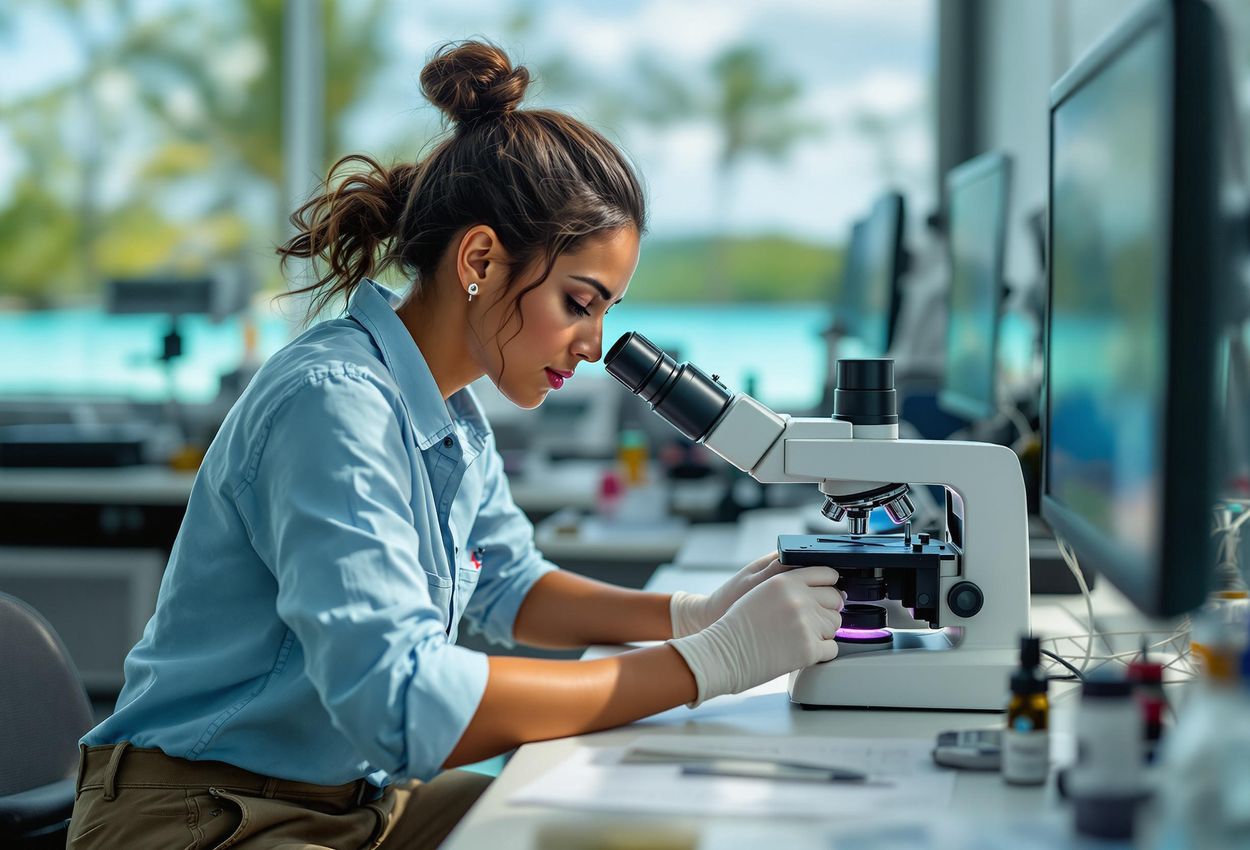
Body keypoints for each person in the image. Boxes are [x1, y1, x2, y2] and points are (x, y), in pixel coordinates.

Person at [68, 40, 845, 850]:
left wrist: (693, 616)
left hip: (351, 802)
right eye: (580, 302)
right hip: (201, 816)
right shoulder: (333, 405)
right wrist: (709, 664)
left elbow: (515, 590)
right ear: (480, 258)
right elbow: (402, 705)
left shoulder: (451, 417)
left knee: (623, 825)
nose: (592, 344)